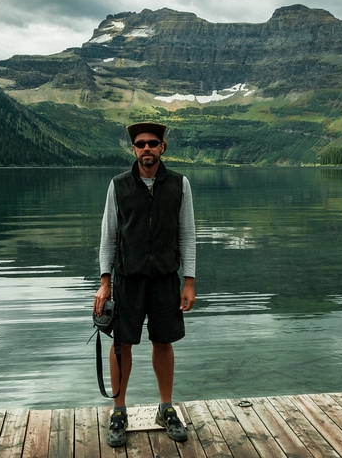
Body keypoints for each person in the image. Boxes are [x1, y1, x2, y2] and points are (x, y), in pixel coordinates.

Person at [94, 121, 197, 448]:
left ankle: (165, 408)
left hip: (166, 279)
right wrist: (104, 281)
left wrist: (189, 281)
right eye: (141, 144)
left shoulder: (180, 185)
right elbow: (108, 237)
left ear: (163, 147)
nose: (147, 148)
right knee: (121, 344)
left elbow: (188, 235)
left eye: (153, 143)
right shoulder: (118, 185)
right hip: (127, 279)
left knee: (163, 342)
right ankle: (119, 412)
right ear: (133, 148)